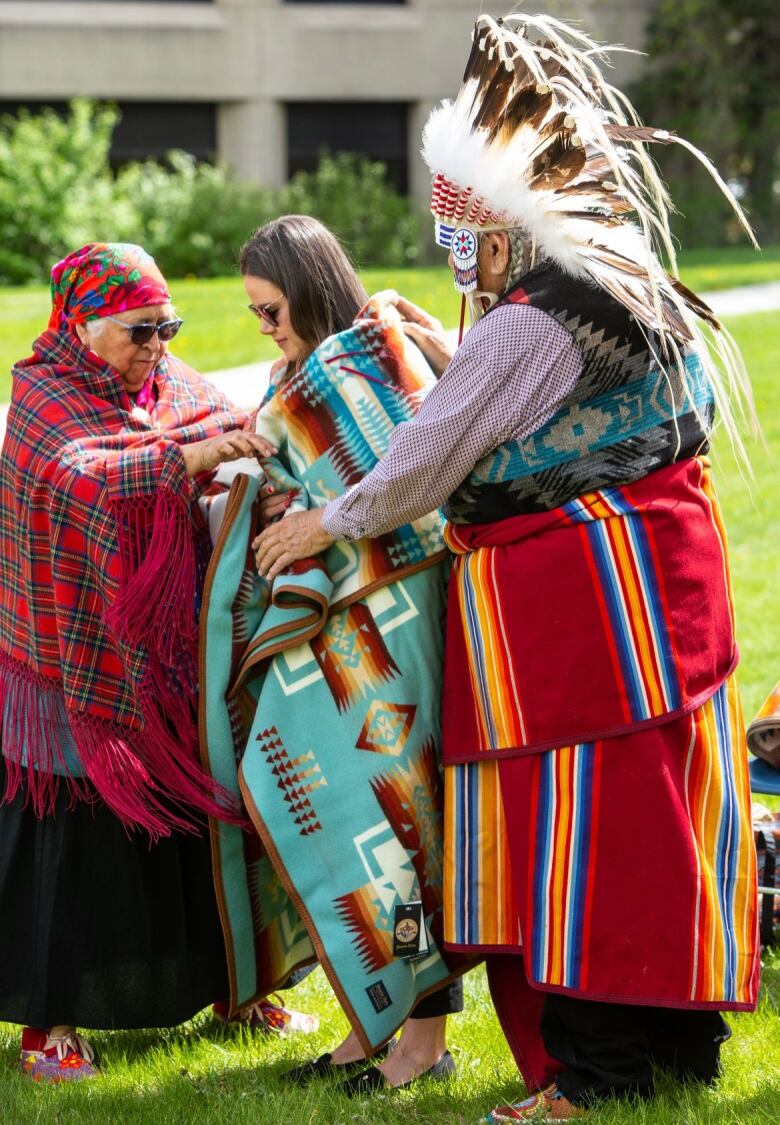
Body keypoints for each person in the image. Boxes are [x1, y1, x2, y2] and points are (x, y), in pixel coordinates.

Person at [254, 15, 760, 1122]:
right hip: (668, 598)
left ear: (496, 234)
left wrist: (321, 521)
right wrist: (451, 348)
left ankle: (591, 1078)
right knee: (661, 820)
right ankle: (677, 1053)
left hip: (575, 622)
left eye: (465, 243)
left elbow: (418, 471)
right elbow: (523, 402)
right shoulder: (627, 285)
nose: (463, 263)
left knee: (583, 838)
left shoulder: (524, 327)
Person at [0, 242, 279, 1081]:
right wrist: (192, 458)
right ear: (83, 325)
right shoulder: (42, 396)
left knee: (204, 814)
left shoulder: (175, 385)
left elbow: (232, 432)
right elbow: (80, 478)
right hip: (70, 656)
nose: (158, 346)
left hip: (170, 657)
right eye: (140, 330)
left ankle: (236, 988)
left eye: (170, 327)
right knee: (73, 837)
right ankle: (51, 1025)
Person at [200, 215, 464, 1095]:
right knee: (305, 796)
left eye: (272, 310)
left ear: (309, 289)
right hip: (324, 638)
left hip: (394, 625)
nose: (266, 329)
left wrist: (310, 519)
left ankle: (423, 1037)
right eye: (256, 315)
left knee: (405, 823)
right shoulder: (288, 378)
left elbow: (418, 484)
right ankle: (369, 1018)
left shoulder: (379, 357)